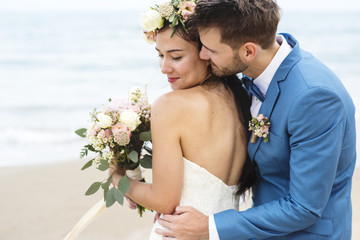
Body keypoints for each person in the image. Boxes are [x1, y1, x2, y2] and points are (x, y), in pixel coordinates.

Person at [155, 0, 357, 239]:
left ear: (248, 51)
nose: (202, 54)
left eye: (211, 49)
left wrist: (210, 227)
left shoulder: (314, 98)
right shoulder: (253, 70)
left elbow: (304, 207)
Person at [109, 1, 256, 239]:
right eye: (160, 55)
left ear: (206, 53)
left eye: (175, 57)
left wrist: (117, 178)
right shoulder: (240, 99)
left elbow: (164, 202)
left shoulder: (170, 106)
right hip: (221, 232)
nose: (164, 68)